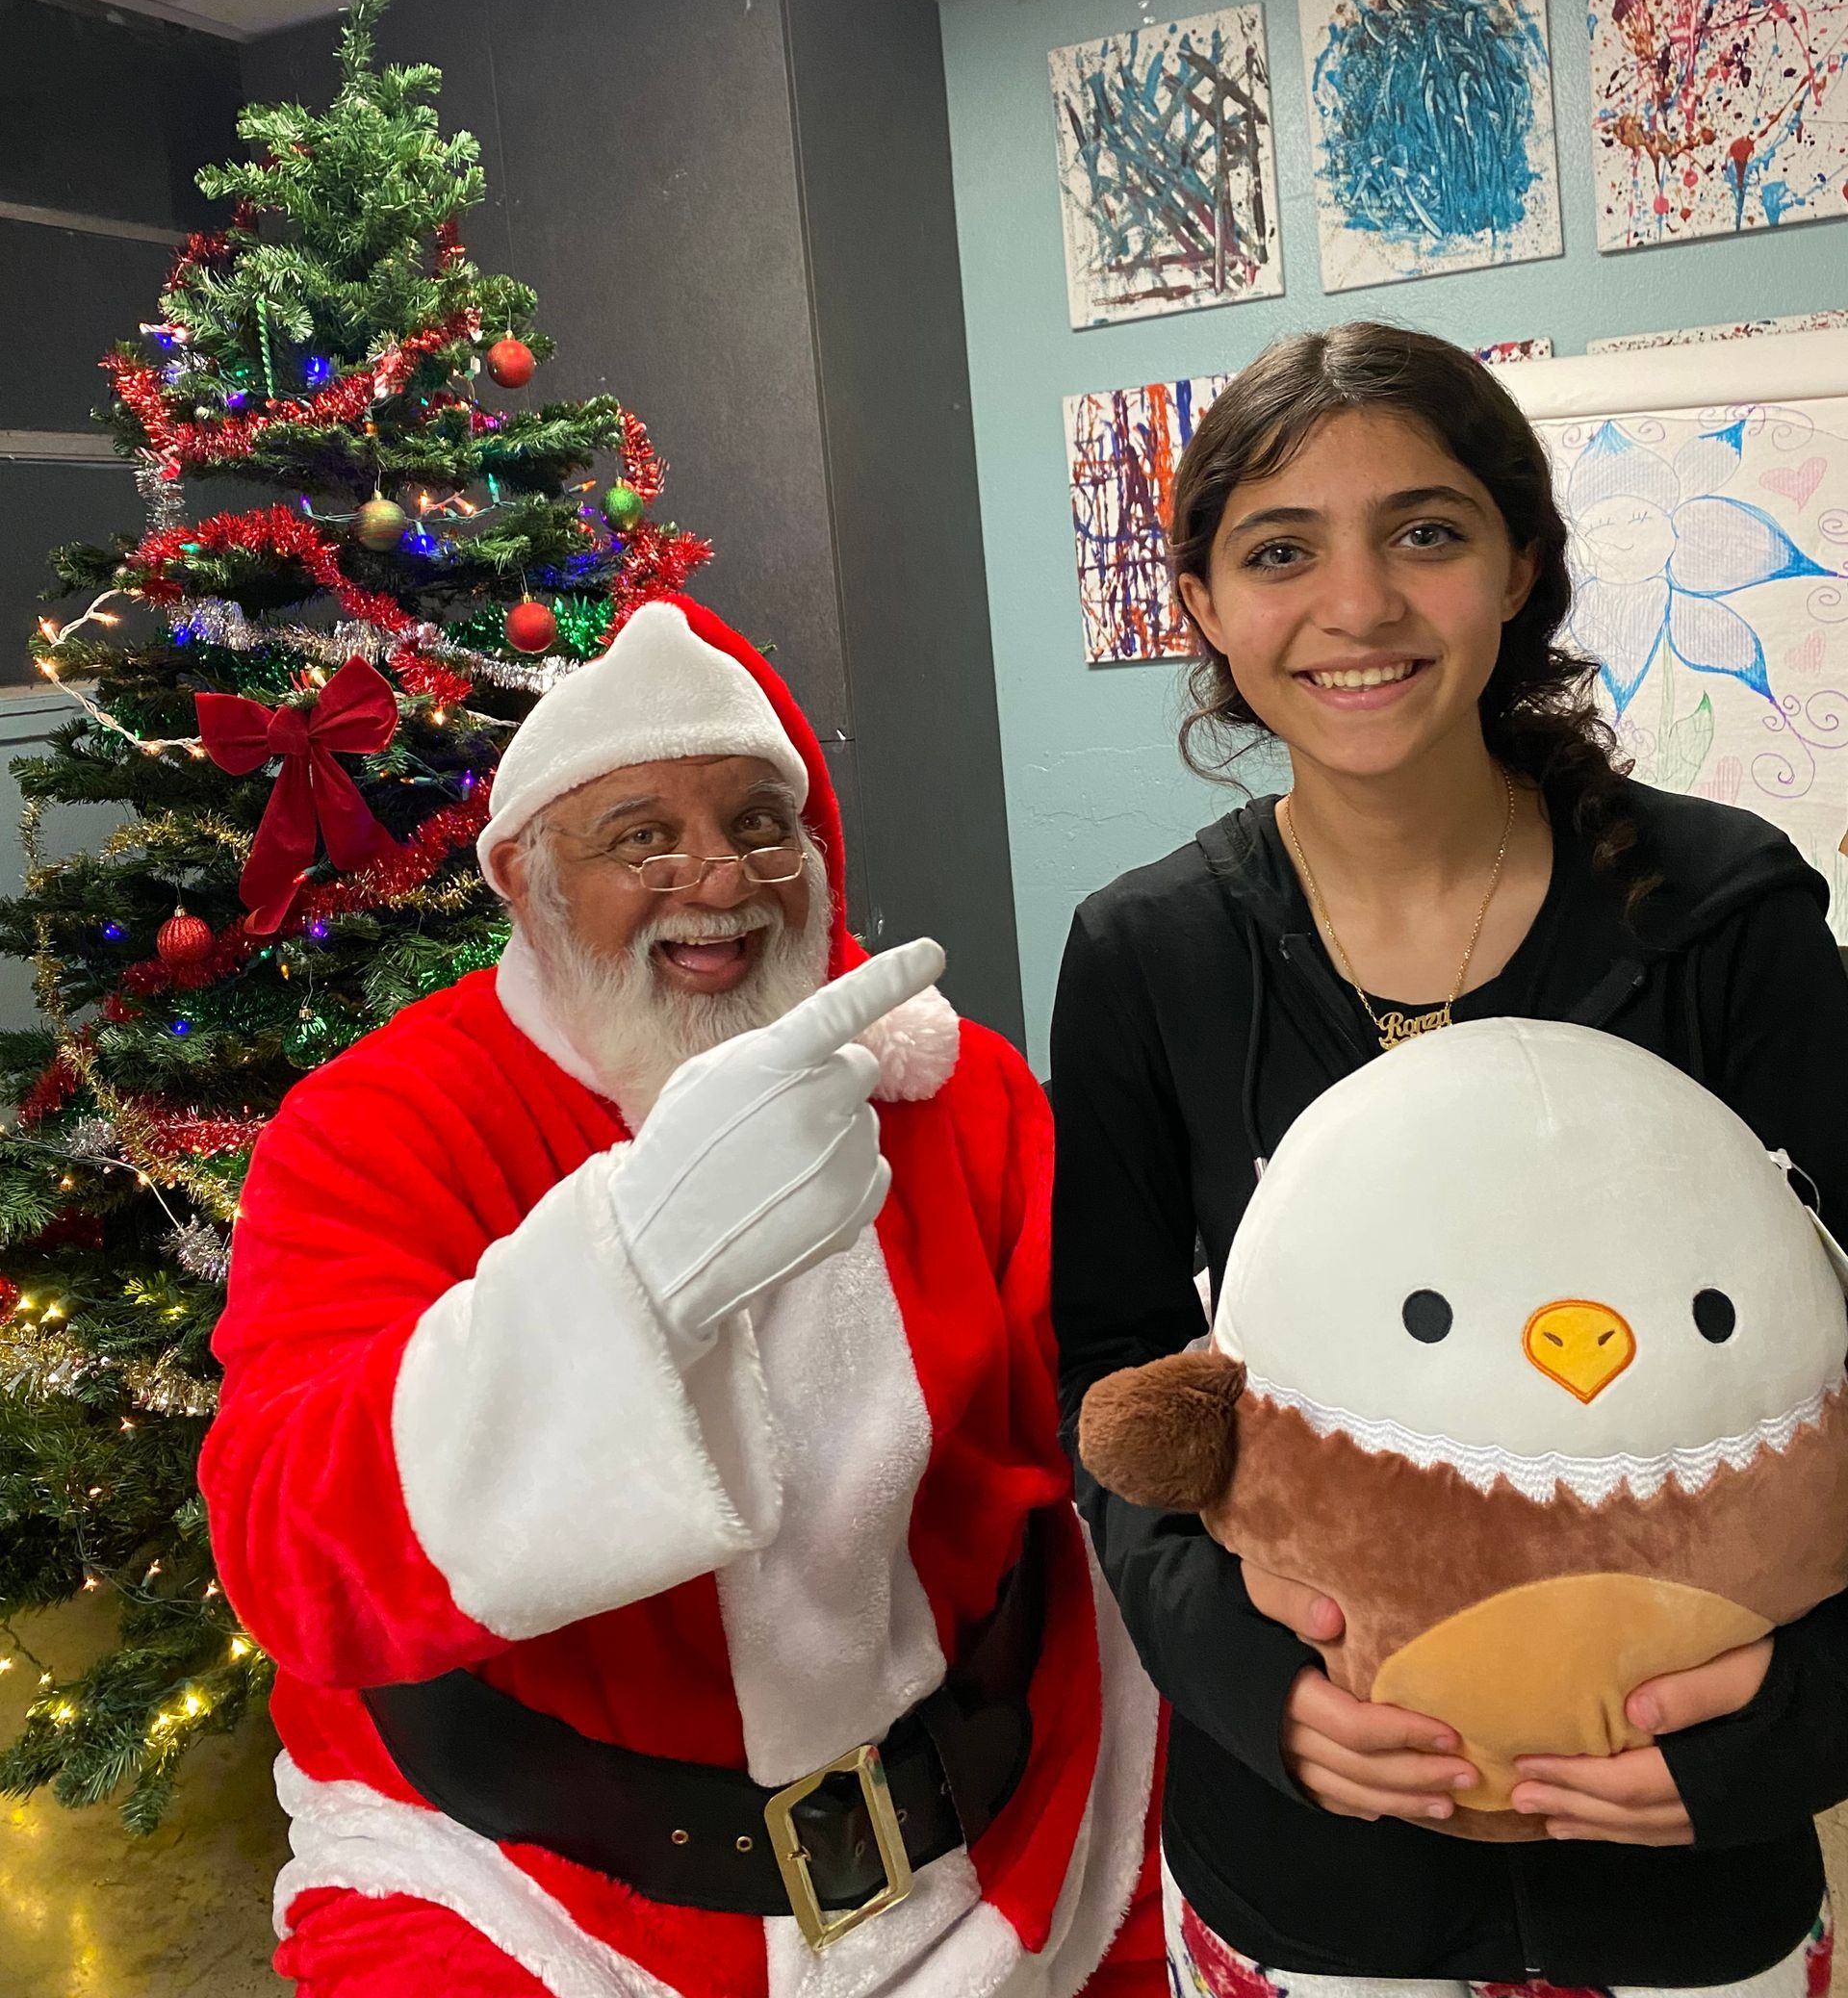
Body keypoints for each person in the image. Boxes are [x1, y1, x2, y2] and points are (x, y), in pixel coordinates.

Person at [202, 594, 1163, 1998]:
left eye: (762, 826)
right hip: (531, 1891)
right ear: (522, 880)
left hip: (1016, 1837)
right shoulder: (381, 1130)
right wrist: (635, 1269)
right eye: (641, 836)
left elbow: (1103, 1418)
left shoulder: (956, 1091)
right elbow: (298, 1562)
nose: (719, 881)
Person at [1050, 324, 1848, 1996]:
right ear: (1201, 603)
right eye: (1280, 552)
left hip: (1687, 1871)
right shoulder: (1148, 956)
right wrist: (1256, 1695)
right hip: (1314, 1880)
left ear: (1518, 567)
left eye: (1425, 532)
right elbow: (1115, 1386)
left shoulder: (1720, 915)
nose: (1358, 608)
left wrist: (1802, 1715)